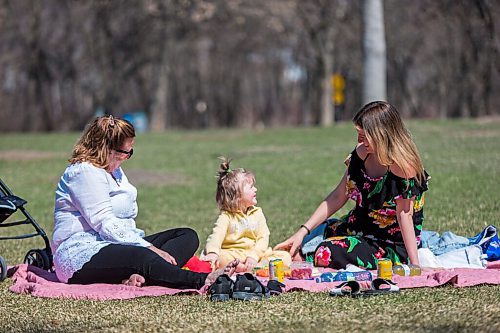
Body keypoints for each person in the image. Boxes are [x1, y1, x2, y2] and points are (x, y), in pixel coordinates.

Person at [51, 115, 238, 289]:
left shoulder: (112, 168)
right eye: (124, 152)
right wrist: (148, 248)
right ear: (105, 148)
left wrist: (147, 247)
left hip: (121, 244)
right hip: (82, 252)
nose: (127, 157)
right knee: (144, 255)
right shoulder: (83, 173)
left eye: (129, 152)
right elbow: (104, 223)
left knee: (186, 236)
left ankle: (141, 275)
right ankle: (203, 280)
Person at [275, 101, 429, 269]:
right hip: (358, 227)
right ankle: (306, 250)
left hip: (388, 242)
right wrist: (302, 231)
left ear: (381, 134)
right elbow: (338, 195)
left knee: (325, 251)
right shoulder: (362, 153)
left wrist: (415, 265)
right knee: (316, 233)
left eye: (364, 135)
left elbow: (404, 215)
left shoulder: (403, 166)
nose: (359, 140)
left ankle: (306, 256)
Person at [201, 157, 291, 272]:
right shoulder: (226, 216)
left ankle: (252, 267)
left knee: (285, 257)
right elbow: (216, 236)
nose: (256, 189)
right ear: (237, 196)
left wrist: (253, 256)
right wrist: (212, 253)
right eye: (251, 187)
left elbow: (263, 238)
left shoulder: (257, 213)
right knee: (219, 258)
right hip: (232, 255)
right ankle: (240, 267)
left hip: (255, 256)